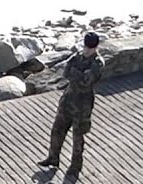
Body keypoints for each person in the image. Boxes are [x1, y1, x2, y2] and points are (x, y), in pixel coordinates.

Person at [40, 32, 105, 176]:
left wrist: (75, 74)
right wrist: (78, 73)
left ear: (95, 47)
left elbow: (85, 82)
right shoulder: (77, 57)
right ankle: (53, 158)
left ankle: (75, 166)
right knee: (57, 130)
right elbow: (65, 72)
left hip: (83, 105)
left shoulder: (97, 63)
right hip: (68, 100)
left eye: (90, 48)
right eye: (86, 46)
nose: (87, 50)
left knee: (77, 136)